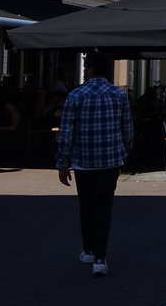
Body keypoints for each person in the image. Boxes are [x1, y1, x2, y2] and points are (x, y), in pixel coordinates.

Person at [57, 52, 133, 278]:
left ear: (89, 69)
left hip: (83, 161)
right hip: (110, 161)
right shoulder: (118, 95)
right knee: (104, 207)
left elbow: (67, 133)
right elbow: (128, 129)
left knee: (86, 207)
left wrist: (62, 163)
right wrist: (123, 152)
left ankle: (89, 249)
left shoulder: (75, 95)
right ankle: (101, 257)